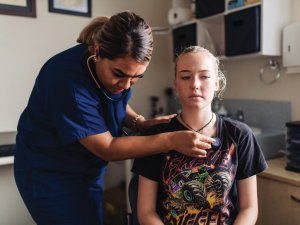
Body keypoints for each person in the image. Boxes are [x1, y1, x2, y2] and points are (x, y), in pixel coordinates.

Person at [13, 11, 215, 225]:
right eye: (119, 74)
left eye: (136, 77)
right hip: (49, 175)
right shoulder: (65, 81)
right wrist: (170, 140)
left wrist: (139, 122)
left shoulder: (115, 74)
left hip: (87, 171)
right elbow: (106, 147)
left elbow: (110, 100)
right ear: (98, 52)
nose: (126, 85)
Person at [132, 46, 268, 225]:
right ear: (175, 85)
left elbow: (249, 208)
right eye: (185, 77)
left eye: (204, 76)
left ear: (217, 83)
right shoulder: (155, 137)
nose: (195, 84)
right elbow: (146, 212)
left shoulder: (240, 135)